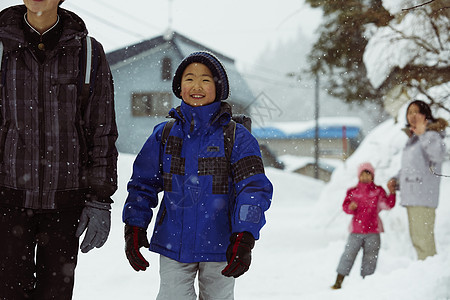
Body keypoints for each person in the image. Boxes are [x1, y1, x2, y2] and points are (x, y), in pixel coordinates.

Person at [122, 51, 273, 299]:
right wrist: (134, 226)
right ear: (179, 88)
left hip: (222, 245)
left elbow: (253, 189)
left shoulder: (236, 137)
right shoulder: (165, 134)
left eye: (206, 80)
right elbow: (142, 184)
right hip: (173, 244)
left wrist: (244, 236)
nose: (197, 86)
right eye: (189, 79)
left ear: (218, 88)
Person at [0, 1, 118, 299]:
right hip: (8, 201)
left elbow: (101, 130)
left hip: (65, 204)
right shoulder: (1, 49)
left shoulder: (88, 54)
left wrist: (99, 200)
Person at [387, 100, 447, 260]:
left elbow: (438, 156)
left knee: (424, 242)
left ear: (425, 114)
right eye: (409, 112)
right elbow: (411, 167)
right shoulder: (413, 139)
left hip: (424, 197)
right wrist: (396, 180)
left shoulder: (431, 135)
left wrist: (422, 134)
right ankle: (426, 274)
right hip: (413, 197)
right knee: (419, 242)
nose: (412, 115)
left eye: (416, 111)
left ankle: (431, 278)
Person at [331, 162, 396, 289]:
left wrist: (392, 193)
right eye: (363, 174)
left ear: (373, 176)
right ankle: (338, 281)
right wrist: (351, 207)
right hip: (356, 231)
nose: (365, 177)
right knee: (348, 254)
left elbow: (387, 205)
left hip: (373, 231)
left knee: (370, 259)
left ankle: (367, 284)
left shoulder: (378, 191)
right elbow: (345, 207)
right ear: (358, 176)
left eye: (368, 174)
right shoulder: (353, 191)